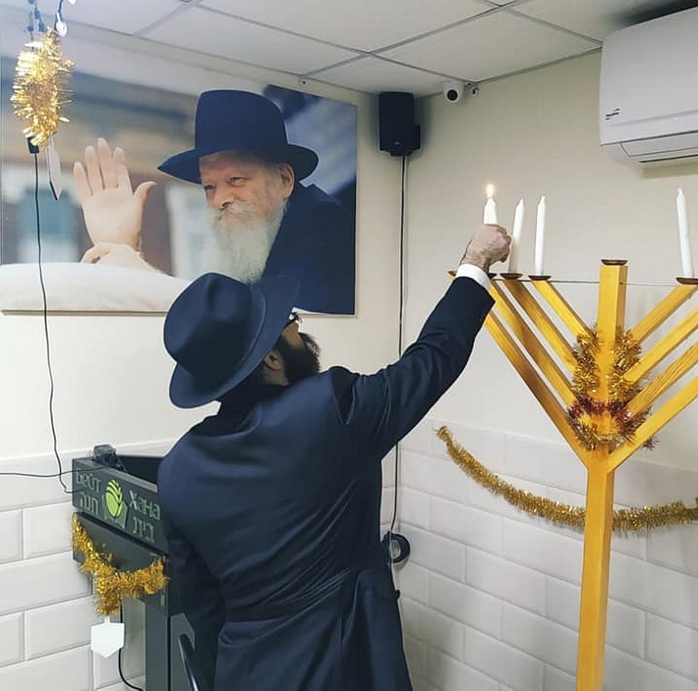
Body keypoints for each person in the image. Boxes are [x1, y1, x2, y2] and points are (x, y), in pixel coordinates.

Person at [157, 224, 510, 691]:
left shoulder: (176, 469)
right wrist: (475, 262)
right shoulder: (329, 411)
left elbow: (203, 608)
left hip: (246, 671)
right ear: (272, 359)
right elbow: (432, 359)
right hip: (345, 663)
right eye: (290, 323)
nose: (299, 328)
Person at [75, 90, 355, 314]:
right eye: (209, 187)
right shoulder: (259, 243)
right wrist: (125, 250)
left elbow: (260, 327)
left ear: (284, 179)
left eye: (236, 180)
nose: (220, 199)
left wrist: (142, 276)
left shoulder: (326, 229)